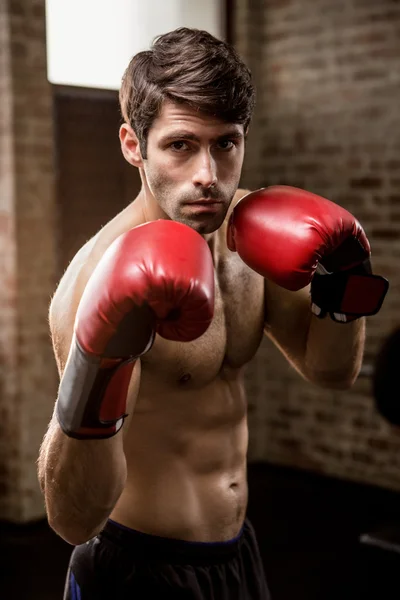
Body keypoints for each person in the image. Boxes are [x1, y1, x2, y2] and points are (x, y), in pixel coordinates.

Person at [37, 27, 388, 600]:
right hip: (137, 568)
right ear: (133, 145)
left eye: (226, 143)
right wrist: (97, 363)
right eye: (180, 145)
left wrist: (348, 278)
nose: (208, 174)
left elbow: (330, 370)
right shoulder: (99, 279)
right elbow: (73, 520)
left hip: (236, 554)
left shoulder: (252, 236)